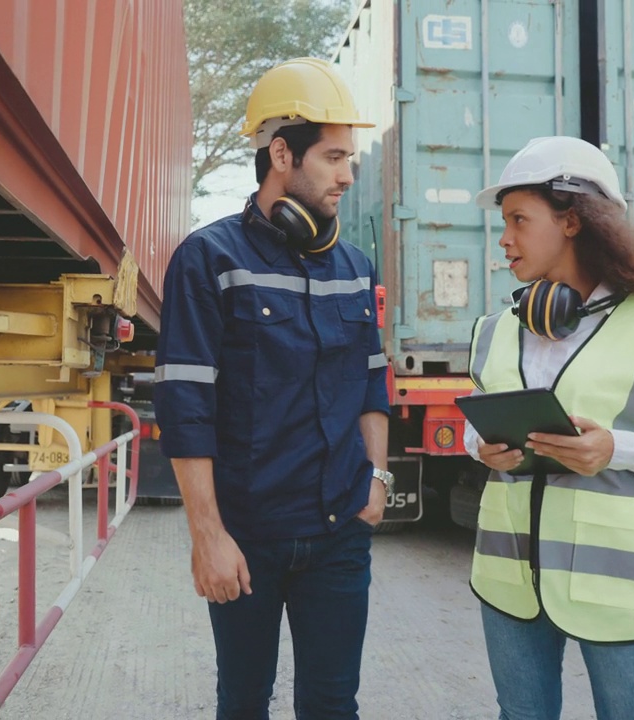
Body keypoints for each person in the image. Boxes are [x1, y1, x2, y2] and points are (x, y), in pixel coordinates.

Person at [153, 57, 391, 720]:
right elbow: (185, 403)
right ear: (281, 153)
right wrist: (208, 534)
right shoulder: (210, 259)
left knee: (332, 703)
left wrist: (378, 479)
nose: (349, 174)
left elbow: (372, 382)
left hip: (340, 532)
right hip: (248, 536)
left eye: (352, 157)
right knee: (244, 701)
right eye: (335, 156)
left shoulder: (353, 265)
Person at [462, 136, 634, 720]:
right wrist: (483, 447)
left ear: (573, 221)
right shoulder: (495, 328)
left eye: (519, 221)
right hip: (512, 582)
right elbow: (472, 424)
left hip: (621, 588)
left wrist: (615, 448)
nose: (504, 239)